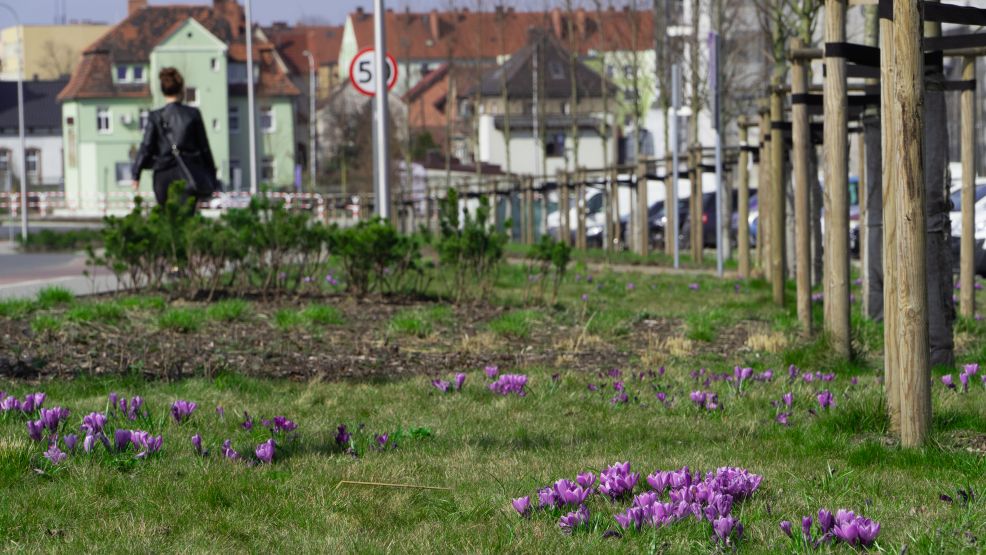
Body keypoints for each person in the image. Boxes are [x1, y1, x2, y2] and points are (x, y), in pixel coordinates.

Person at [131, 67, 217, 207]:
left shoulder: (155, 116)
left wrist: (136, 174)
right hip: (188, 172)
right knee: (187, 219)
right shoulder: (193, 114)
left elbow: (146, 147)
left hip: (162, 175)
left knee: (166, 219)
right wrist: (211, 175)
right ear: (181, 89)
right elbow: (204, 148)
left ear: (162, 90)